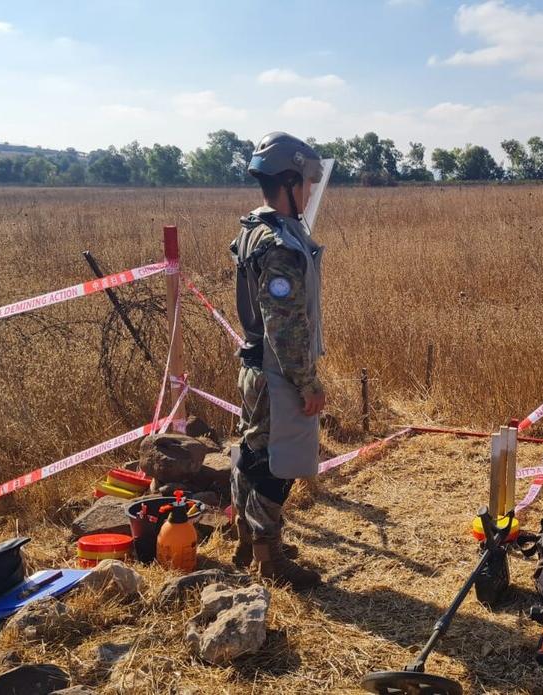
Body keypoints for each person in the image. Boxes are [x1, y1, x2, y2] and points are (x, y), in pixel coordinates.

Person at [228, 131, 326, 591]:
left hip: (254, 366)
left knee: (251, 453)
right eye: (305, 182)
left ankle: (248, 541)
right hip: (275, 371)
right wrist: (308, 384)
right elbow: (284, 326)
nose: (309, 192)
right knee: (275, 465)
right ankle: (269, 560)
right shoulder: (281, 246)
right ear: (288, 181)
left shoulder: (254, 229)